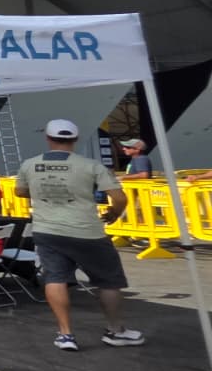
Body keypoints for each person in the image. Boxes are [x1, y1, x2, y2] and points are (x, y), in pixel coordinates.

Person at [14, 118, 141, 352]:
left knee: (55, 278)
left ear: (48, 138)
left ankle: (65, 334)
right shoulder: (91, 165)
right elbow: (119, 197)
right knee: (108, 281)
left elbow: (20, 191)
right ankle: (116, 330)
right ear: (75, 139)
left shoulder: (30, 164)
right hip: (87, 230)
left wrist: (46, 192)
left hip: (47, 230)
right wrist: (114, 213)